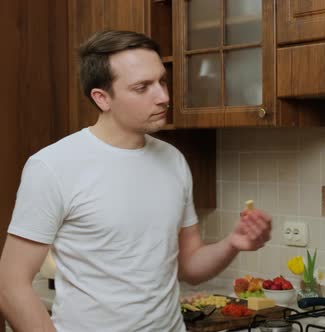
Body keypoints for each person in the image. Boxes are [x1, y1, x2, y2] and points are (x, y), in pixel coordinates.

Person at [0, 30, 272, 332]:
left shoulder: (174, 161)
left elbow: (190, 265)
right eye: (142, 87)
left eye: (162, 81)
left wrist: (233, 243)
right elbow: (11, 285)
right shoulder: (53, 167)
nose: (163, 97)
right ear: (102, 98)